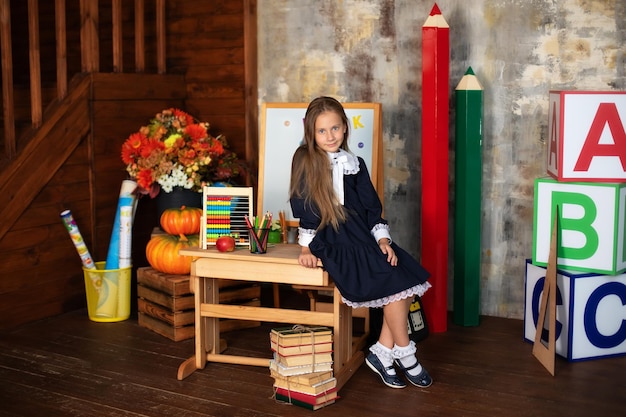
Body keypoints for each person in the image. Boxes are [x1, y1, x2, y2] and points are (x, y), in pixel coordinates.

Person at [289, 96, 433, 389]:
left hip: (361, 236)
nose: (330, 137)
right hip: (331, 238)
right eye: (322, 131)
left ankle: (383, 350)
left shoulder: (356, 163)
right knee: (396, 283)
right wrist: (306, 247)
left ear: (345, 128)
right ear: (311, 134)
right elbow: (303, 205)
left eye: (336, 129)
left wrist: (382, 240)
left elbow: (370, 209)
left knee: (403, 276)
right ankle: (406, 356)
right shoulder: (305, 159)